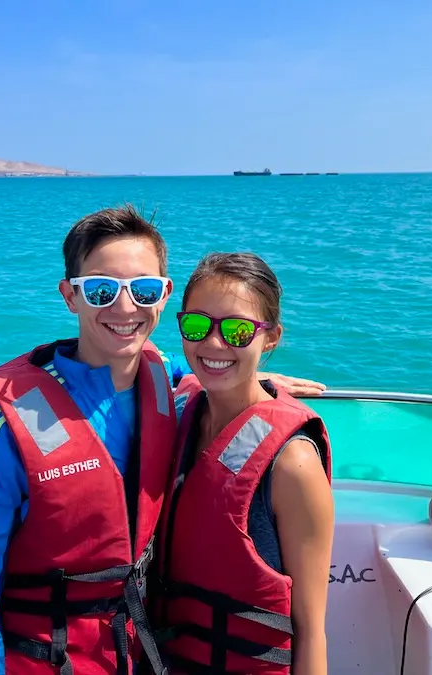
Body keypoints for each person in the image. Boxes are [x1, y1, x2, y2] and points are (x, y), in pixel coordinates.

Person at [0, 206, 327, 675]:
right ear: (69, 297)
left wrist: (252, 373)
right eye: (101, 290)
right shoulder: (8, 427)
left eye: (142, 290)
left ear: (162, 297)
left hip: (140, 656)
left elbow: (205, 367)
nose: (124, 309)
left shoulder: (164, 380)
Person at [154, 252, 334, 675]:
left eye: (238, 331)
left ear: (270, 338)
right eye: (197, 326)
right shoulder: (181, 414)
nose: (214, 344)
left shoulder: (293, 464)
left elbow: (310, 632)